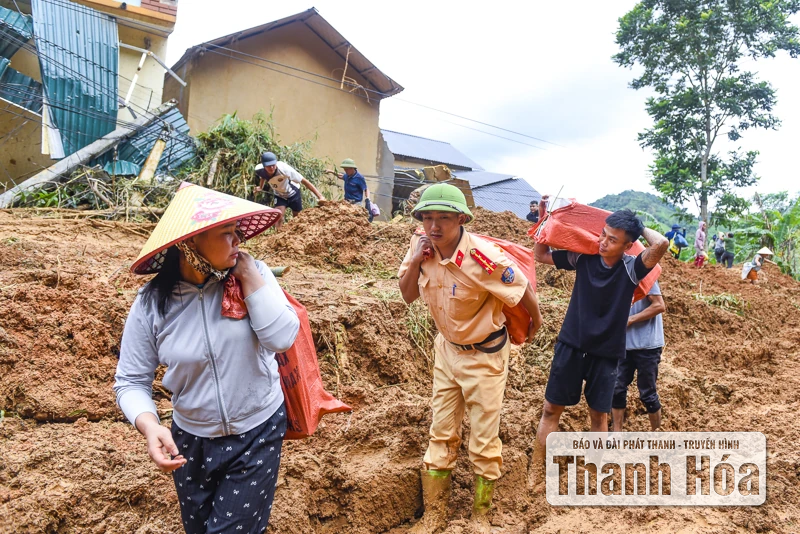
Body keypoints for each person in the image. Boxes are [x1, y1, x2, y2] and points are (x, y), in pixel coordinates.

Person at [114, 183, 300, 533]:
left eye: (237, 233)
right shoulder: (153, 303)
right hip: (191, 442)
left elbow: (281, 338)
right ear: (190, 242)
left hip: (256, 431)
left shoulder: (252, 275)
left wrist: (250, 277)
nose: (238, 242)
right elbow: (131, 380)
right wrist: (150, 425)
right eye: (227, 233)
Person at [398, 183, 543, 533]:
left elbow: (523, 292)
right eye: (427, 218)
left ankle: (481, 515)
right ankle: (434, 515)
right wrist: (417, 258)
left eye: (444, 218)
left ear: (461, 219)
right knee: (441, 432)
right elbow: (406, 295)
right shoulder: (421, 248)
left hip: (485, 357)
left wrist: (532, 329)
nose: (434, 227)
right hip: (447, 352)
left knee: (483, 439)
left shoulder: (484, 258)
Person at [529, 198, 668, 490]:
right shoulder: (584, 257)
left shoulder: (632, 269)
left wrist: (640, 227)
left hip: (605, 354)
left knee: (598, 417)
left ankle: (594, 475)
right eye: (603, 234)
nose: (603, 242)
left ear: (628, 245)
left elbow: (662, 244)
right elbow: (541, 254)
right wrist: (545, 220)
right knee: (551, 410)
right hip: (571, 345)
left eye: (613, 239)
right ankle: (535, 472)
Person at [612, 281, 666, 432]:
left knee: (648, 393)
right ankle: (616, 433)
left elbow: (659, 305)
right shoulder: (617, 275)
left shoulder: (646, 276)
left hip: (647, 345)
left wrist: (630, 320)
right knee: (617, 388)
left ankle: (657, 435)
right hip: (623, 344)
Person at [254, 151, 326, 229]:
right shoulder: (259, 170)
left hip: (293, 193)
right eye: (268, 166)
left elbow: (304, 181)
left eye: (273, 165)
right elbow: (263, 177)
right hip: (279, 195)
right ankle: (278, 237)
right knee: (278, 217)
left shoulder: (285, 169)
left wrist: (320, 196)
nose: (271, 168)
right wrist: (260, 187)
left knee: (297, 218)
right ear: (264, 166)